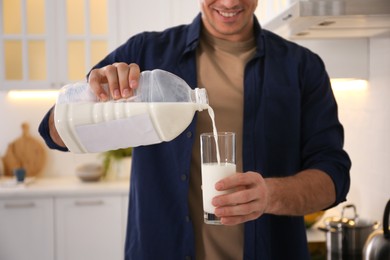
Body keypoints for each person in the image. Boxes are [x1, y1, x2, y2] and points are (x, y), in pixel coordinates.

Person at [39, 0, 351, 259]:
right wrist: (92, 93)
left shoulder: (302, 67)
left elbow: (334, 177)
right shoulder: (146, 53)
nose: (230, 3)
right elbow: (54, 133)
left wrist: (269, 195)